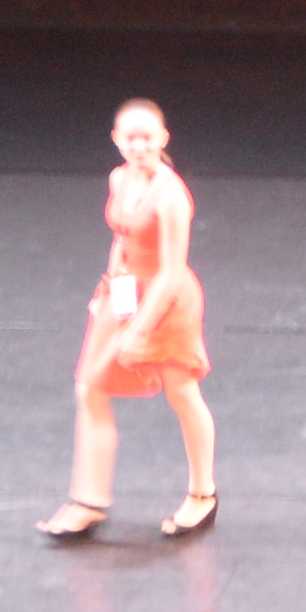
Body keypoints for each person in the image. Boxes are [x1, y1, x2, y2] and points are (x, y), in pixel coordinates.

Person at [40, 98, 216, 542]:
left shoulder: (171, 196)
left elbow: (172, 272)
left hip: (167, 301)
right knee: (91, 388)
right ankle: (88, 499)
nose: (139, 146)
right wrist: (110, 291)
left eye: (147, 138)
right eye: (130, 138)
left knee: (181, 393)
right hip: (127, 292)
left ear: (163, 139)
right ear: (116, 140)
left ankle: (202, 494)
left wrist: (139, 330)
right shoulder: (119, 178)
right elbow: (121, 238)